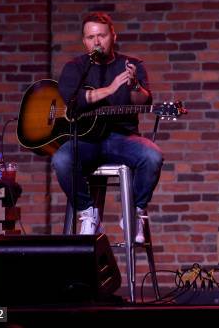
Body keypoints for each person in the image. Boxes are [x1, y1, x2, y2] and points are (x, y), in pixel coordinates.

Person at [52, 12, 163, 242]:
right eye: (91, 37)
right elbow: (73, 101)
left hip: (122, 138)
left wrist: (133, 86)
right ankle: (88, 212)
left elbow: (143, 102)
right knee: (61, 160)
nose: (96, 42)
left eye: (101, 36)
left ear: (113, 36)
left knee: (152, 156)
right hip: (86, 140)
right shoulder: (75, 68)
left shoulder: (133, 65)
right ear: (84, 41)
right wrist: (110, 89)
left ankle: (134, 213)